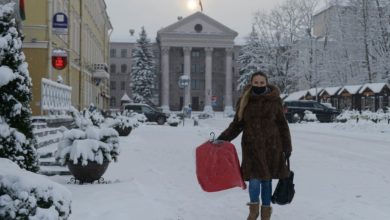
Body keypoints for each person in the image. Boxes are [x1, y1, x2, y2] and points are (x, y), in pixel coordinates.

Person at [217, 71, 292, 220]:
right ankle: (253, 210)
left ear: (266, 83)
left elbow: (283, 125)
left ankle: (265, 213)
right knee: (254, 181)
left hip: (271, 147)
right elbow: (237, 125)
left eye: (261, 83)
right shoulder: (245, 100)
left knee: (266, 181)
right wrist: (223, 139)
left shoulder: (274, 101)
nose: (258, 85)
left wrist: (287, 147)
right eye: (256, 83)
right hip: (251, 147)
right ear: (251, 83)